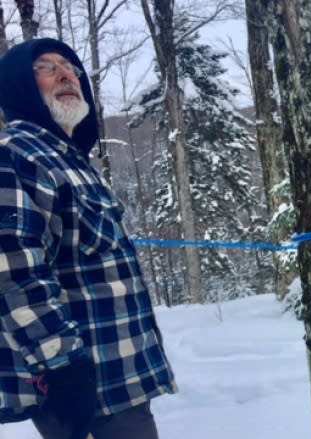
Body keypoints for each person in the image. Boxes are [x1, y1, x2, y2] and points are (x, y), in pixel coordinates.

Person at [0, 38, 177, 439]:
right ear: (18, 87)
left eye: (72, 68)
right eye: (46, 68)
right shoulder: (16, 154)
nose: (67, 75)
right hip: (83, 383)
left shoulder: (68, 159)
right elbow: (12, 271)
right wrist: (60, 367)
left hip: (117, 374)